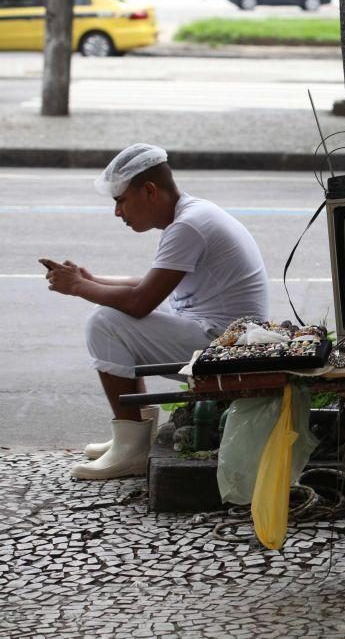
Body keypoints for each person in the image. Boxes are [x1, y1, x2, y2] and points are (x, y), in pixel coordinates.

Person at [42, 144, 270, 480]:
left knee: (105, 322)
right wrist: (92, 280)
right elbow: (151, 285)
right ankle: (133, 436)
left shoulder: (188, 226)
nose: (118, 213)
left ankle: (132, 448)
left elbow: (140, 301)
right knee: (114, 314)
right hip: (223, 335)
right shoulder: (191, 215)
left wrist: (77, 287)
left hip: (227, 348)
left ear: (149, 191)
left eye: (120, 201)